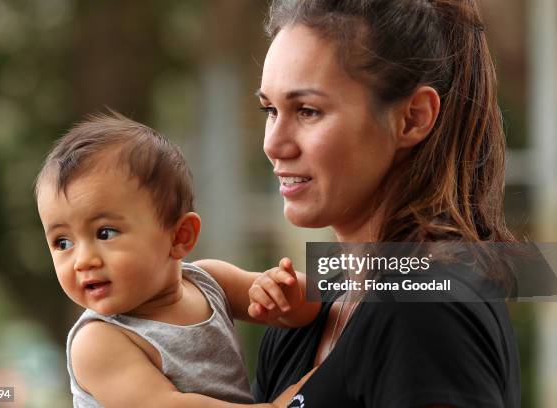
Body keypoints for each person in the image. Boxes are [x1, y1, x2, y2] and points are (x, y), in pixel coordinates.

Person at [250, 0, 521, 407]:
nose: (273, 144)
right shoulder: (310, 308)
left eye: (307, 111)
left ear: (412, 118)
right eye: (270, 110)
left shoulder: (426, 310)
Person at [34, 113, 315, 407]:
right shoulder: (98, 341)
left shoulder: (210, 282)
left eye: (105, 233)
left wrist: (287, 297)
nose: (82, 261)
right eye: (62, 242)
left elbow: (318, 306)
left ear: (180, 236)